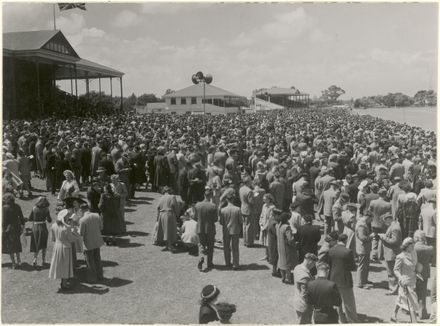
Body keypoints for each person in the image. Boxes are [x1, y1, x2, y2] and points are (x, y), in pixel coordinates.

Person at [48, 209, 81, 292]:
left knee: (59, 265)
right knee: (66, 266)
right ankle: (64, 284)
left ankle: (63, 283)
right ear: (64, 217)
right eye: (67, 216)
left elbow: (53, 239)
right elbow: (72, 239)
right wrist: (75, 231)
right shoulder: (67, 227)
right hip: (66, 247)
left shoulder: (54, 225)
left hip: (57, 246)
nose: (68, 217)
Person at [328, 233, 358, 323]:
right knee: (349, 303)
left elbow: (329, 264)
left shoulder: (331, 250)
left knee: (337, 302)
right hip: (345, 280)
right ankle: (352, 320)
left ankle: (340, 319)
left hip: (333, 278)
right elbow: (352, 267)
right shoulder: (348, 251)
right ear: (346, 240)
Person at [392, 237, 421, 322]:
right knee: (412, 301)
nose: (413, 247)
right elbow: (395, 270)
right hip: (405, 282)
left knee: (401, 298)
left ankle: (393, 314)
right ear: (406, 246)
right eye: (411, 246)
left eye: (413, 245)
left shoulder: (413, 253)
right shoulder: (400, 257)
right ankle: (414, 321)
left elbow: (414, 266)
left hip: (412, 281)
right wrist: (400, 278)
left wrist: (417, 272)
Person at [79, 194, 105, 283]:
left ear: (81, 210)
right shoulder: (96, 215)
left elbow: (81, 233)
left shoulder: (82, 220)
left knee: (90, 261)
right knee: (98, 259)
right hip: (97, 241)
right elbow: (101, 227)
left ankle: (92, 278)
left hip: (88, 243)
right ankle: (100, 276)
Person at [379, 213, 402, 295]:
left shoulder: (395, 228)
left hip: (392, 253)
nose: (385, 223)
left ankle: (393, 289)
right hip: (390, 252)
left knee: (391, 272)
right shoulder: (393, 225)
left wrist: (383, 237)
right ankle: (394, 287)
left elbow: (394, 241)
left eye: (385, 221)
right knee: (392, 271)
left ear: (388, 219)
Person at [195, 188, 218, 272]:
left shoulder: (197, 205)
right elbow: (215, 219)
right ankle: (209, 262)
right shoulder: (213, 206)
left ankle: (201, 257)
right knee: (210, 246)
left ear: (204, 195)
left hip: (200, 228)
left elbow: (194, 217)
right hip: (210, 229)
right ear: (211, 196)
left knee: (201, 245)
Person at [413, 230, 434, 319]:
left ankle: (413, 311)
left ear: (417, 238)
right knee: (423, 293)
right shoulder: (430, 248)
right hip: (425, 272)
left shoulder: (413, 248)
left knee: (414, 292)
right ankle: (423, 312)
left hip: (415, 272)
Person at [219, 192, 242, 270]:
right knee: (235, 247)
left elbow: (220, 222)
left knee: (226, 247)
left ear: (226, 200)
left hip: (226, 230)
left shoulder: (222, 210)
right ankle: (235, 264)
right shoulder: (238, 209)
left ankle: (227, 262)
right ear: (233, 199)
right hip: (235, 230)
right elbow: (241, 221)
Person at [293, 253, 318, 324]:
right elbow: (305, 294)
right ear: (310, 262)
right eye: (314, 264)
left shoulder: (297, 267)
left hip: (297, 301)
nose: (314, 266)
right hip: (304, 306)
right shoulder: (305, 276)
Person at [2, 193, 25, 269]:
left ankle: (13, 263)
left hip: (9, 228)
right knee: (17, 244)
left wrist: (3, 229)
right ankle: (19, 260)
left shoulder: (4, 208)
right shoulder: (17, 206)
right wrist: (22, 226)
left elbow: (3, 221)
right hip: (16, 227)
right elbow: (21, 218)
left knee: (10, 246)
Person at [368, 188, 391, 262]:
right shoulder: (388, 204)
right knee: (381, 239)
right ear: (385, 195)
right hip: (383, 224)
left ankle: (374, 254)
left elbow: (369, 212)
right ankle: (381, 255)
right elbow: (388, 215)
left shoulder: (373, 202)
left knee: (374, 238)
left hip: (374, 223)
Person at [28, 196, 52, 267]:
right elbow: (49, 220)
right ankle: (43, 260)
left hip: (35, 227)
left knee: (36, 244)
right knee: (44, 245)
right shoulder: (46, 209)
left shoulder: (34, 208)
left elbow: (30, 218)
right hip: (43, 227)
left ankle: (35, 259)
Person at [155, 186, 179, 252]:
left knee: (163, 229)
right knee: (169, 229)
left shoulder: (161, 198)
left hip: (161, 214)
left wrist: (157, 219)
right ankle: (169, 245)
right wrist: (177, 214)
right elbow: (175, 206)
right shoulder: (172, 197)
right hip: (169, 213)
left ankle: (166, 244)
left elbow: (158, 208)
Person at [276, 212, 297, 284]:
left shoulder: (278, 225)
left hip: (279, 245)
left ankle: (283, 277)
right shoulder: (286, 227)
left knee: (281, 262)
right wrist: (294, 244)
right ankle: (288, 278)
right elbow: (290, 239)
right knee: (287, 263)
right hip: (286, 248)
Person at [354, 211, 372, 288]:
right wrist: (370, 237)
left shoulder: (362, 222)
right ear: (368, 217)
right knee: (362, 266)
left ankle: (364, 280)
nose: (371, 221)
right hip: (362, 248)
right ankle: (360, 283)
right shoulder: (361, 225)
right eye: (371, 219)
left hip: (364, 248)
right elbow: (362, 237)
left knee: (365, 265)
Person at [239, 176, 255, 247]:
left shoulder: (241, 189)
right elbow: (251, 202)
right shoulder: (249, 191)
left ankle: (245, 241)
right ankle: (249, 242)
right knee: (249, 226)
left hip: (243, 208)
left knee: (244, 225)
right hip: (248, 209)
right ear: (248, 182)